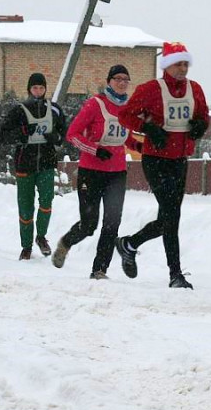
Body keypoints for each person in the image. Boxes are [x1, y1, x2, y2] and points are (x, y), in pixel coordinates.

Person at [113, 42, 209, 289]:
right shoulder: (151, 89)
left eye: (186, 63)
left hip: (180, 159)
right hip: (155, 159)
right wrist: (149, 128)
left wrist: (200, 126)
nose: (183, 68)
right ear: (167, 65)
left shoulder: (194, 89)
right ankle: (175, 274)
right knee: (171, 215)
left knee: (169, 217)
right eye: (178, 63)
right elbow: (126, 115)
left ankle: (129, 244)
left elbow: (203, 116)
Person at [52, 65, 143, 278]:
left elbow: (125, 136)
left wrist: (138, 146)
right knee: (89, 224)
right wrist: (95, 149)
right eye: (118, 78)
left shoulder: (128, 108)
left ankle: (99, 270)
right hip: (91, 172)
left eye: (126, 79)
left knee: (112, 224)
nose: (122, 83)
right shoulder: (95, 104)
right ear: (109, 81)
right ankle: (66, 242)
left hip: (117, 173)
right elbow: (72, 134)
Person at [0, 72, 66, 260]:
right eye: (35, 88)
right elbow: (2, 136)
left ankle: (41, 237)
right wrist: (22, 133)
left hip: (46, 163)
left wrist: (55, 138)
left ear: (45, 89)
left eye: (41, 88)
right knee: (26, 207)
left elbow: (64, 134)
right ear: (29, 89)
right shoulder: (19, 110)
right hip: (24, 165)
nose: (38, 91)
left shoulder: (55, 110)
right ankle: (26, 246)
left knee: (46, 202)